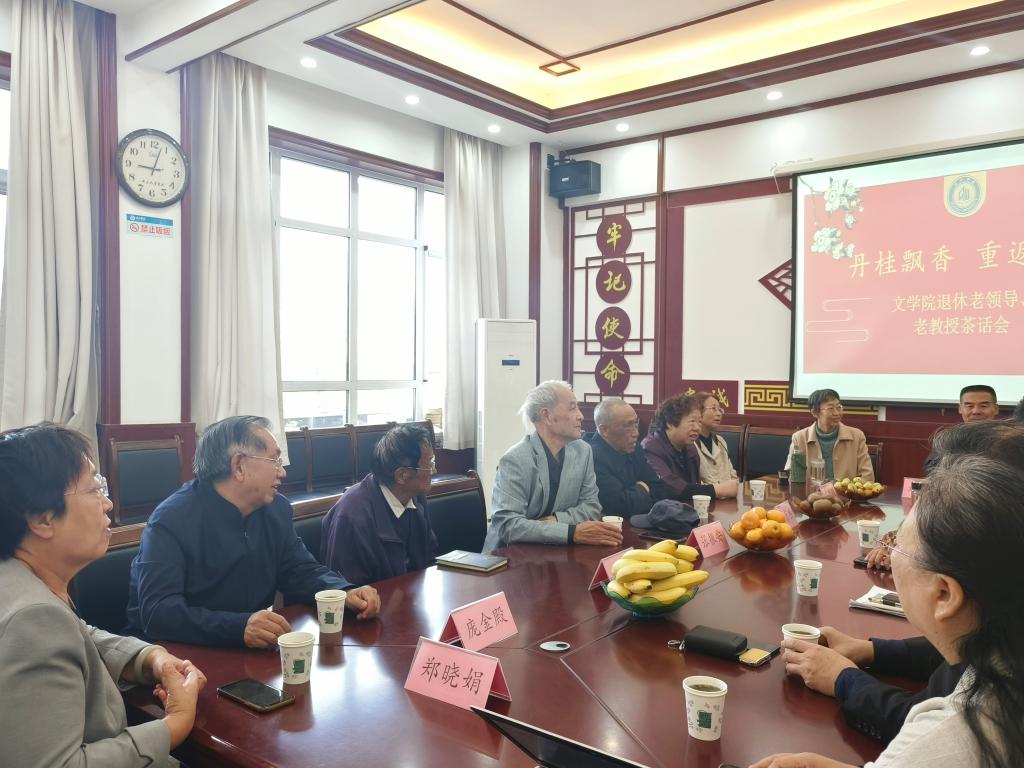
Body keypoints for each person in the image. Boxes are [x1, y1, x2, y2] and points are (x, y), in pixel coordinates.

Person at [755, 423, 1024, 768]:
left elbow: (932, 749)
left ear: (944, 594)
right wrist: (870, 650)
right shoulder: (998, 638)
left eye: (897, 545)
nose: (888, 554)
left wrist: (844, 678)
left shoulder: (957, 732)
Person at [0, 423, 206, 766]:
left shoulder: (16, 580)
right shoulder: (33, 617)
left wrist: (149, 658)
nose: (108, 503)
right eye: (95, 489)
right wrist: (173, 725)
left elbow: (77, 636)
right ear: (42, 519)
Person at [126, 416, 380, 648]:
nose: (282, 472)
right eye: (275, 461)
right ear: (239, 466)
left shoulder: (276, 509)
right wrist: (238, 627)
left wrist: (343, 591)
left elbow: (299, 571)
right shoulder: (171, 520)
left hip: (245, 648)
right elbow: (158, 612)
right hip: (173, 656)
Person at [483, 381, 620, 551]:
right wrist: (571, 532)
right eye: (572, 408)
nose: (580, 416)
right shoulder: (515, 459)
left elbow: (592, 506)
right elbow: (508, 525)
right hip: (509, 554)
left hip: (556, 550)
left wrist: (557, 520)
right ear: (547, 416)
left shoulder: (583, 451)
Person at [320, 423, 438, 584]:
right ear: (402, 475)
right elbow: (349, 589)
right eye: (429, 465)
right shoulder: (352, 515)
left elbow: (429, 558)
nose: (435, 471)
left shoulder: (416, 499)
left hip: (412, 594)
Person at [641, 393, 737, 501]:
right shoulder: (651, 448)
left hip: (684, 508)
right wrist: (718, 490)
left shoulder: (690, 449)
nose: (697, 428)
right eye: (692, 421)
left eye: (699, 422)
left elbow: (693, 487)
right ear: (670, 423)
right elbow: (671, 488)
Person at [588, 398, 664, 517]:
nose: (636, 433)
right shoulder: (592, 456)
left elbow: (660, 489)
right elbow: (620, 506)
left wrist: (634, 494)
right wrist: (643, 488)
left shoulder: (635, 448)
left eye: (636, 423)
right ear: (605, 430)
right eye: (628, 426)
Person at [786, 389, 872, 482]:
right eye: (831, 408)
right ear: (815, 413)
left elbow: (867, 476)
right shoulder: (799, 438)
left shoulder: (857, 436)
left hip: (845, 491)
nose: (837, 413)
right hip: (811, 491)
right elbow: (792, 475)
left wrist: (845, 488)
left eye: (839, 407)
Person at [922, 385, 1000, 475]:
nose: (976, 411)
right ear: (960, 409)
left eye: (983, 406)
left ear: (996, 409)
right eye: (969, 406)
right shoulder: (949, 437)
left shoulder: (1007, 437)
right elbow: (931, 469)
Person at [694, 391, 739, 485]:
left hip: (729, 492)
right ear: (698, 412)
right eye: (713, 409)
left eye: (719, 409)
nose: (719, 414)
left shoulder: (720, 441)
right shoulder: (690, 443)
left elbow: (733, 476)